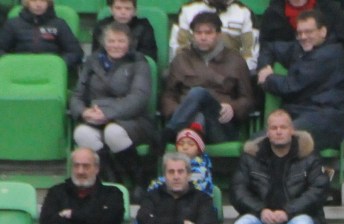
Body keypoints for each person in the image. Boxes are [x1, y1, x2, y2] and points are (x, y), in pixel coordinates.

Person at [70, 22, 153, 202]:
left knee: (113, 133)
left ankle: (139, 182)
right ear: (104, 42)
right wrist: (84, 113)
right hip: (94, 117)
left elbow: (138, 98)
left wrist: (108, 114)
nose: (116, 45)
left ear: (129, 42)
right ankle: (112, 184)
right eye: (111, 41)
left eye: (120, 41)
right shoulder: (92, 61)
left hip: (132, 119)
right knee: (82, 133)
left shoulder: (139, 62)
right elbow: (77, 95)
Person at [257, 9, 344, 152]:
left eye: (309, 32)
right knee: (258, 141)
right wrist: (264, 67)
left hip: (326, 117)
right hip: (300, 113)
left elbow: (292, 85)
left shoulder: (331, 54)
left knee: (277, 139)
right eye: (299, 32)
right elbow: (269, 48)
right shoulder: (300, 48)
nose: (303, 36)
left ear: (323, 32)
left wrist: (268, 79)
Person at [161, 11, 255, 145]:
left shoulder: (235, 60)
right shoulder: (181, 60)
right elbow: (168, 96)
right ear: (192, 35)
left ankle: (168, 132)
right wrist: (181, 111)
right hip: (186, 124)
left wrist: (233, 107)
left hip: (220, 125)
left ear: (218, 35)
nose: (203, 37)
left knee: (199, 93)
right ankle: (193, 152)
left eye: (208, 33)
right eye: (198, 33)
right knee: (197, 114)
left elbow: (248, 100)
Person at [170, 0, 258, 72]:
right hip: (193, 74)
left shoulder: (244, 12)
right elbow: (177, 49)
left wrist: (233, 71)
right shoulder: (187, 9)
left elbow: (250, 55)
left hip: (231, 76)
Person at [0, 0, 83, 69]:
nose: (38, 4)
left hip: (51, 72)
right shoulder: (13, 24)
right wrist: (13, 63)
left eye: (43, 1)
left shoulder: (59, 24)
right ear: (26, 3)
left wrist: (58, 64)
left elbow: (75, 52)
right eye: (34, 1)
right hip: (19, 71)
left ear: (49, 3)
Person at [259, 0, 344, 59]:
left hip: (325, 73)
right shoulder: (272, 13)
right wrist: (265, 66)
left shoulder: (330, 8)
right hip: (288, 72)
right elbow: (265, 47)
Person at [91, 0, 157, 61]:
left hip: (135, 67)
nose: (123, 12)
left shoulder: (144, 27)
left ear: (135, 11)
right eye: (118, 8)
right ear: (111, 10)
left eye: (127, 8)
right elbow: (96, 54)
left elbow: (148, 56)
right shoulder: (102, 26)